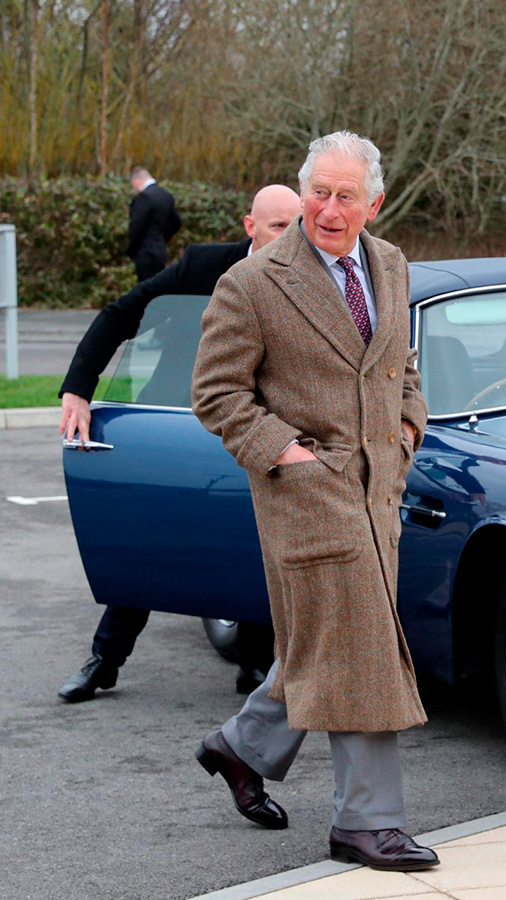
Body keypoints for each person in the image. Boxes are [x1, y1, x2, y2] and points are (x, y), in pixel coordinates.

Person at [190, 131, 438, 871]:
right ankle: (366, 824)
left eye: (346, 196)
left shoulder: (390, 263)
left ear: (375, 202)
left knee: (329, 642)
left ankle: (240, 746)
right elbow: (216, 394)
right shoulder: (255, 282)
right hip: (307, 498)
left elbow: (401, 362)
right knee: (361, 645)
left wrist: (405, 425)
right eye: (318, 192)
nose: (329, 210)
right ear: (302, 193)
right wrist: (290, 457)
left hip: (378, 494)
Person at [57, 185, 302, 704]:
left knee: (254, 543)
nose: (291, 235)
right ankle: (105, 660)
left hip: (257, 432)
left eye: (297, 224)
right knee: (152, 539)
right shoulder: (201, 268)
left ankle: (255, 665)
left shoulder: (313, 278)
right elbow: (120, 315)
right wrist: (78, 389)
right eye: (279, 225)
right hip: (173, 423)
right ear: (249, 226)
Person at [127, 167, 183, 282]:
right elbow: (177, 223)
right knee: (157, 288)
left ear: (136, 181)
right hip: (160, 251)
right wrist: (162, 238)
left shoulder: (143, 197)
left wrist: (130, 250)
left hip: (144, 252)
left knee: (145, 289)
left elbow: (136, 226)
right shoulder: (166, 195)